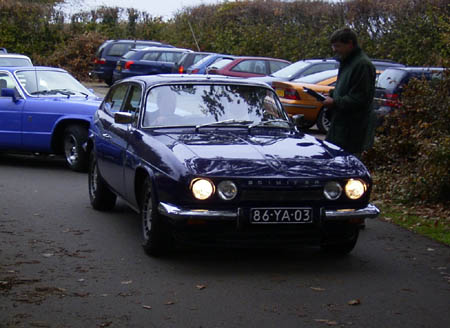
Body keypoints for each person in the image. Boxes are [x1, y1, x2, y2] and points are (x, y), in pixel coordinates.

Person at [322, 27, 377, 157]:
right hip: (340, 127)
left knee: (348, 166)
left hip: (353, 131)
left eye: (338, 46)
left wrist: (335, 102)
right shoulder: (347, 62)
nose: (334, 50)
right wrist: (331, 95)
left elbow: (360, 99)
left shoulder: (362, 65)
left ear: (350, 44)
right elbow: (345, 89)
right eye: (333, 46)